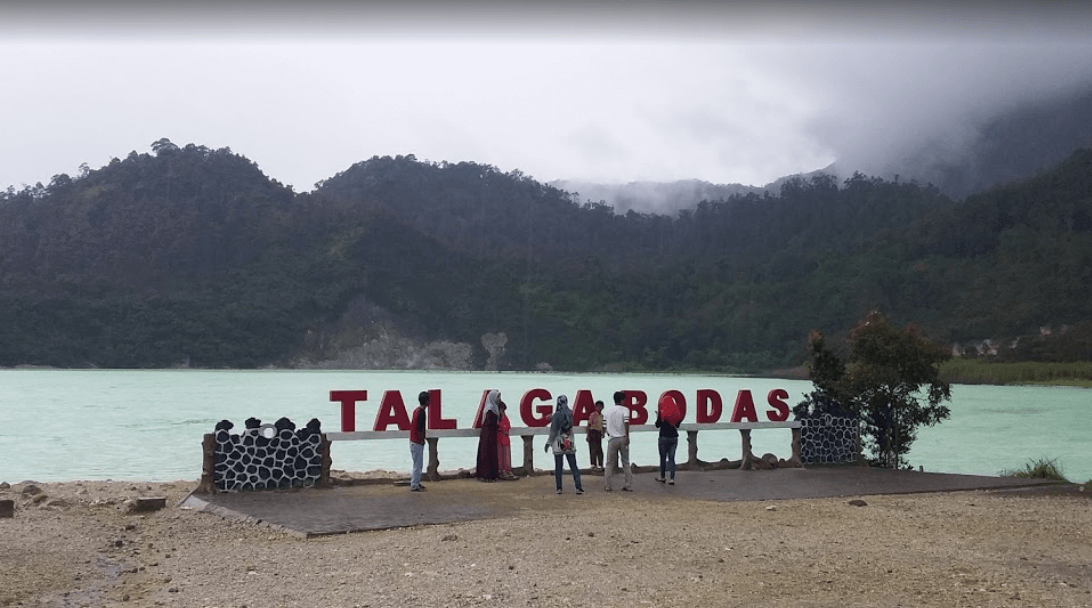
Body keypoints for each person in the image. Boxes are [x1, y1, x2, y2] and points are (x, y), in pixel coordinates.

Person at [545, 395, 584, 494]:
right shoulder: (570, 413)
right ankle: (578, 487)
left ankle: (559, 488)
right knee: (573, 466)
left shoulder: (557, 415)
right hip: (568, 441)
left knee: (558, 467)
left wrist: (548, 442)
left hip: (558, 441)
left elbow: (553, 431)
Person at [603, 390, 633, 492]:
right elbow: (626, 422)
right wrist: (627, 436)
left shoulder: (608, 412)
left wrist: (607, 433)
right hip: (622, 438)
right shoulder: (625, 410)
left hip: (612, 439)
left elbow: (604, 426)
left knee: (609, 463)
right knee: (625, 462)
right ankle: (628, 485)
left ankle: (608, 485)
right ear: (622, 400)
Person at [475, 389, 501, 481]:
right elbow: (489, 423)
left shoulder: (495, 408)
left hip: (491, 435)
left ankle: (492, 475)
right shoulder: (490, 409)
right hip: (487, 435)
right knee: (486, 454)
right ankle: (485, 475)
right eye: (497, 397)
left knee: (491, 454)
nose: (499, 399)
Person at [409, 390, 429, 492]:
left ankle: (415, 482)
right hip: (417, 442)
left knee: (416, 463)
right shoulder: (421, 412)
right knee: (418, 464)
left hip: (413, 441)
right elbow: (419, 428)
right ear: (427, 401)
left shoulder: (416, 411)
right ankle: (414, 485)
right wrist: (422, 440)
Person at [655, 403, 679, 485]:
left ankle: (662, 477)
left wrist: (658, 417)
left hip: (664, 436)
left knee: (663, 458)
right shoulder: (675, 412)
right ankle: (672, 479)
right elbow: (677, 425)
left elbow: (657, 425)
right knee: (672, 458)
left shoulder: (662, 412)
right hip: (673, 437)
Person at [497, 400, 518, 480]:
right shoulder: (498, 418)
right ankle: (501, 471)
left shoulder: (504, 417)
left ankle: (507, 470)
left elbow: (507, 426)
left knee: (506, 456)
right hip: (500, 439)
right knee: (500, 456)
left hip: (505, 439)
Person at [587, 400, 605, 470]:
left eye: (601, 407)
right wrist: (588, 435)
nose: (599, 408)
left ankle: (600, 464)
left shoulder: (602, 416)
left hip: (598, 432)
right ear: (595, 407)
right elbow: (589, 425)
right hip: (592, 432)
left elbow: (603, 425)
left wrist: (603, 433)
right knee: (593, 449)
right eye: (598, 406)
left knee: (599, 449)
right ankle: (593, 464)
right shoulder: (593, 415)